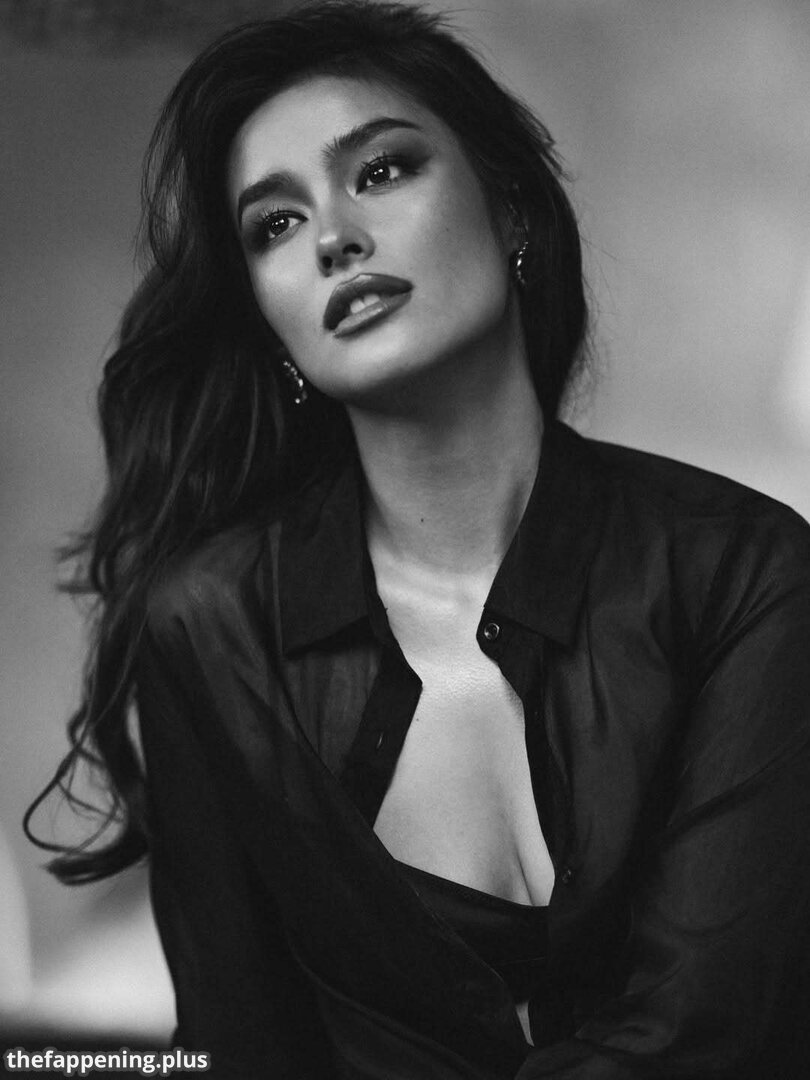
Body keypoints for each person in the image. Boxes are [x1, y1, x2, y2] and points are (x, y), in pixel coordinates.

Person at [26, 2, 810, 1077]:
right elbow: (238, 1046)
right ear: (269, 321)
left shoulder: (747, 573)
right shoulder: (211, 628)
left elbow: (712, 1034)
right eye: (275, 224)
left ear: (512, 208)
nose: (334, 237)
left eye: (382, 170)